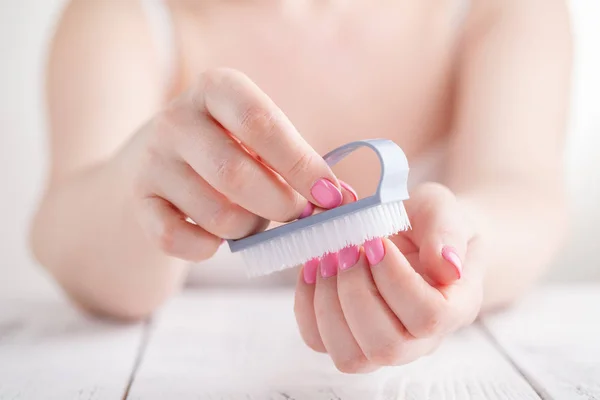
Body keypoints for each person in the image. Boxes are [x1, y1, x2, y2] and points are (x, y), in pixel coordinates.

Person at [29, 0, 572, 373]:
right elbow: (61, 234)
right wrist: (141, 187)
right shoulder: (121, 17)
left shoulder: (507, 10)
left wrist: (464, 244)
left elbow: (523, 192)